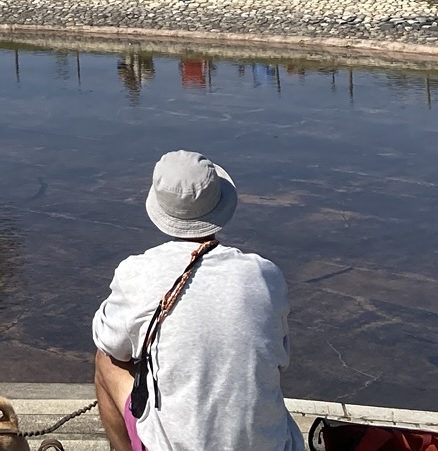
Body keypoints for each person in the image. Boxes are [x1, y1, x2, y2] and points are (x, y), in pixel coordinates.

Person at [92, 151, 300, 451]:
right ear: (220, 206)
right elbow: (279, 357)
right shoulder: (265, 274)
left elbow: (109, 342)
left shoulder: (137, 271)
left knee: (106, 362)